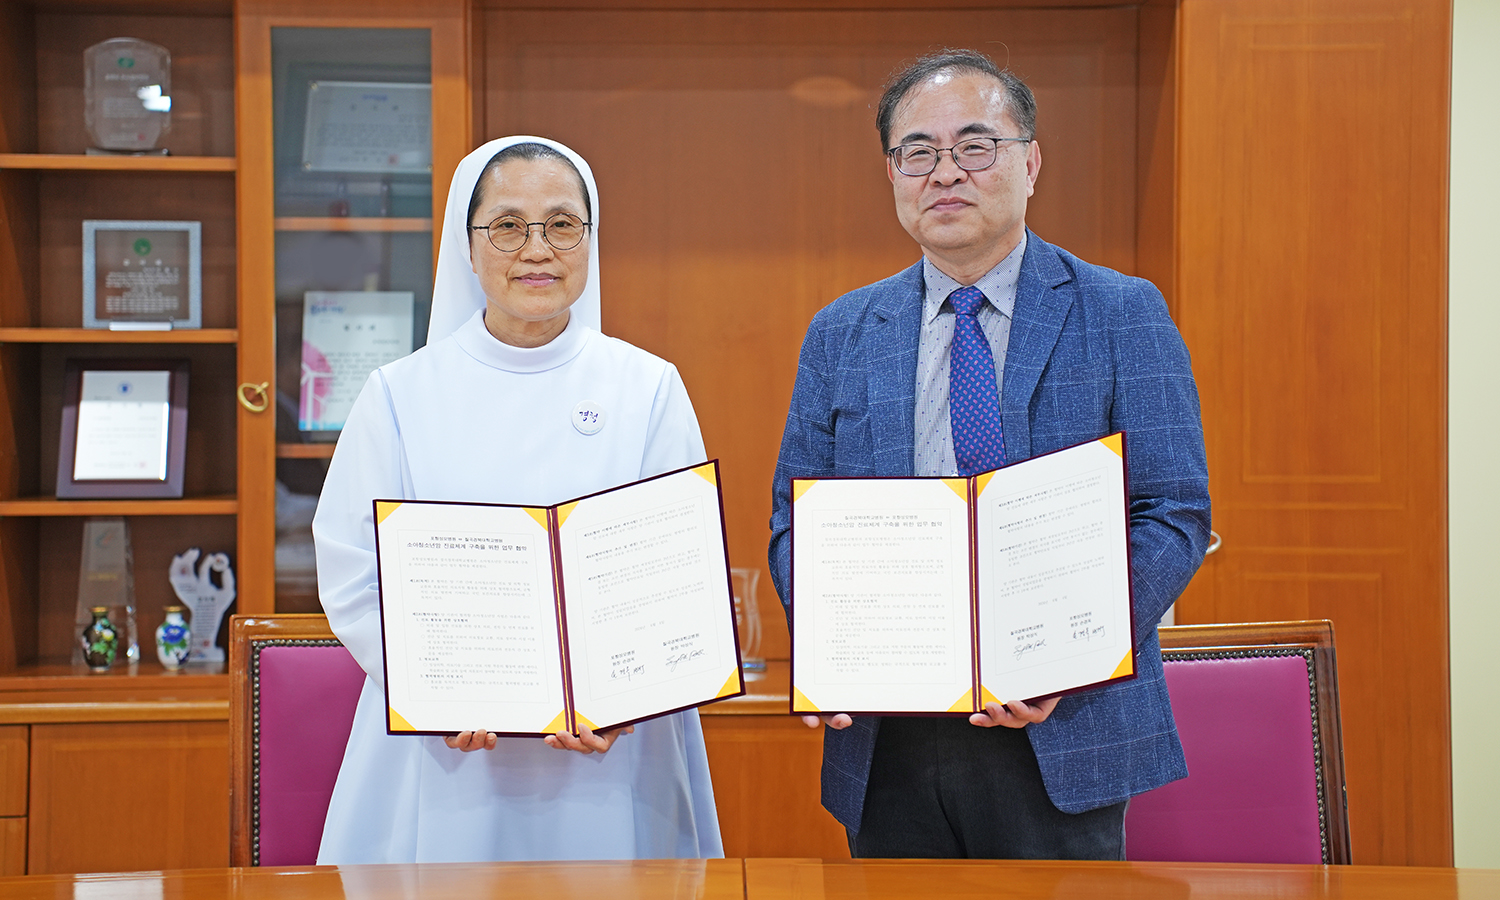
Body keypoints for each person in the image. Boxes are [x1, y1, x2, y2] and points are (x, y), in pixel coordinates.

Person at [768, 50, 1211, 859]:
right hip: (888, 736)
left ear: (1031, 162)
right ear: (893, 174)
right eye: (918, 153)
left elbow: (1172, 511)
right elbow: (794, 519)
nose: (946, 173)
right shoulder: (841, 330)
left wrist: (1069, 655)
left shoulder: (1122, 311)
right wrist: (827, 644)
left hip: (1064, 727)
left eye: (976, 146)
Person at [312, 135, 723, 863]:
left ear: (590, 241)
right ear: (468, 247)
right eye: (507, 225)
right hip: (449, 753)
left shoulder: (648, 387)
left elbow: (679, 570)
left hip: (614, 748)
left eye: (562, 224)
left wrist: (628, 698)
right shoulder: (400, 394)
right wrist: (436, 689)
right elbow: (353, 573)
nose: (537, 248)